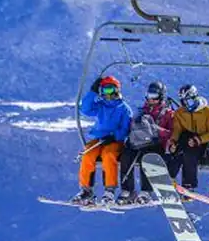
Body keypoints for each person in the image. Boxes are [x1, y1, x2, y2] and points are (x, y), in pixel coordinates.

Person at [71, 76, 132, 205]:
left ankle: (109, 190)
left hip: (115, 140)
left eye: (109, 90)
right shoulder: (100, 106)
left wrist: (115, 136)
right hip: (99, 139)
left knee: (108, 155)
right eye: (104, 90)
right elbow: (85, 109)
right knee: (88, 154)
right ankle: (86, 190)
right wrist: (92, 92)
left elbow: (126, 128)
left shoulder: (123, 108)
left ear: (116, 89)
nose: (107, 94)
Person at [117, 81, 174, 205]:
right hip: (139, 142)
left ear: (161, 97)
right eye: (149, 95)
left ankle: (146, 191)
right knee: (126, 155)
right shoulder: (142, 111)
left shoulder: (168, 113)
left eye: (154, 96)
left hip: (156, 143)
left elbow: (172, 133)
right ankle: (128, 190)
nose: (151, 99)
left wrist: (157, 130)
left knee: (147, 158)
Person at [167, 84, 209, 196]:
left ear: (195, 98)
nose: (186, 105)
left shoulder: (207, 112)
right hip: (186, 138)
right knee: (177, 152)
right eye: (183, 102)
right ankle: (169, 178)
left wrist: (198, 140)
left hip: (202, 140)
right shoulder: (180, 112)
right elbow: (177, 130)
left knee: (189, 154)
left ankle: (189, 186)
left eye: (188, 101)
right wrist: (173, 142)